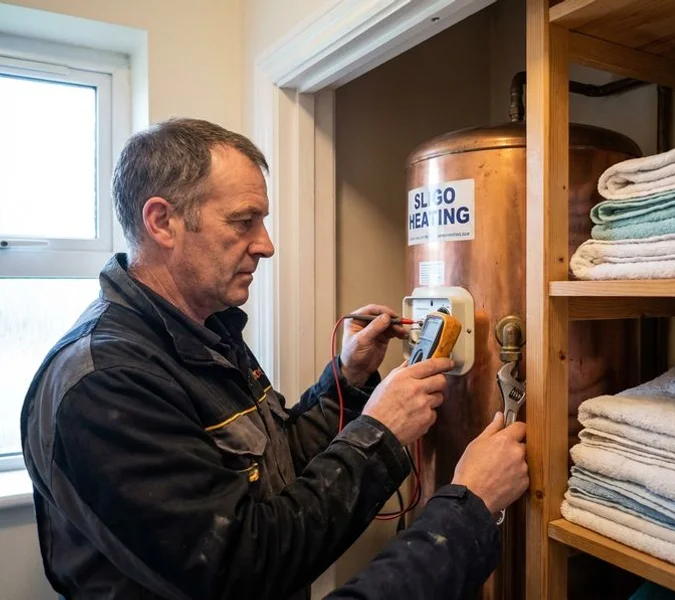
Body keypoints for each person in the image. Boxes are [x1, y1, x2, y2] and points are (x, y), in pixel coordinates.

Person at [21, 118, 528, 600]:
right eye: (243, 222)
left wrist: (348, 383)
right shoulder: (106, 383)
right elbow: (245, 567)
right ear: (162, 222)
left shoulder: (206, 330)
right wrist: (387, 436)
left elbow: (275, 466)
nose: (265, 245)